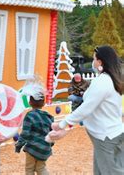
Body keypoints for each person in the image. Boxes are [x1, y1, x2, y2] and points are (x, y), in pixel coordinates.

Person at [52, 45, 123, 174]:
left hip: (105, 137)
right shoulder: (113, 79)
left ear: (100, 62)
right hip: (113, 134)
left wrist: (62, 124)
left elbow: (85, 108)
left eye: (94, 58)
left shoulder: (102, 82)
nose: (93, 61)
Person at [15, 85, 54, 175]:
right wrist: (49, 145)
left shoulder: (30, 116)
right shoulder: (49, 117)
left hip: (32, 148)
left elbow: (25, 134)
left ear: (30, 102)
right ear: (43, 103)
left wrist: (18, 146)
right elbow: (52, 133)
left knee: (29, 169)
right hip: (45, 148)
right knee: (41, 168)